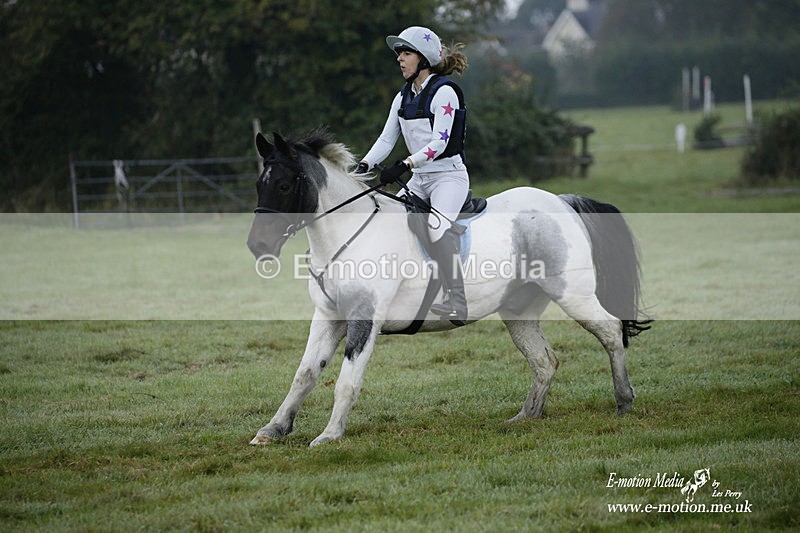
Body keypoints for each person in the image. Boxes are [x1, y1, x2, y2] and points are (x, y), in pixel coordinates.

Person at [356, 26, 470, 324]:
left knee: (435, 228)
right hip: (420, 179)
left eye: (406, 53)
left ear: (424, 59)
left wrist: (405, 164)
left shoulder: (444, 92)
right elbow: (385, 139)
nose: (400, 59)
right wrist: (364, 165)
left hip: (448, 177)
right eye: (399, 54)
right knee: (389, 218)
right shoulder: (403, 96)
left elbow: (440, 142)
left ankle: (457, 300)